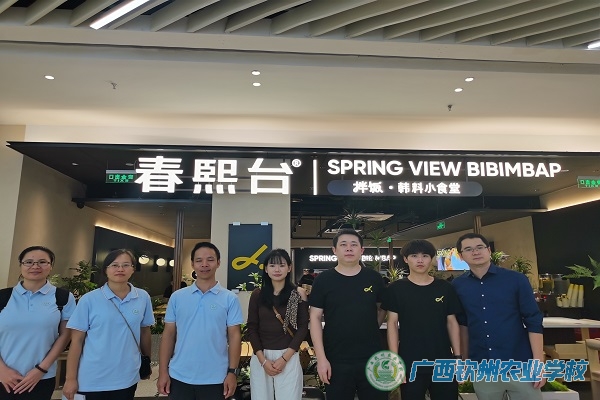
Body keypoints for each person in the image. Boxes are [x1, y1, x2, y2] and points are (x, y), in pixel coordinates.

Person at [453, 233, 545, 400]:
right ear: (461, 256)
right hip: (482, 366)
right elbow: (463, 325)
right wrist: (465, 361)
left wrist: (538, 363)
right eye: (468, 249)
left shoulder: (516, 280)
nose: (475, 252)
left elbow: (533, 321)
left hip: (519, 363)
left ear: (489, 250)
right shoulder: (458, 286)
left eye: (479, 247)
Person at [63, 249, 154, 400]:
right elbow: (77, 341)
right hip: (92, 377)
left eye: (126, 265)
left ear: (133, 269)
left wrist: (146, 362)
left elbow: (145, 332)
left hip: (127, 376)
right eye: (114, 265)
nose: (120, 269)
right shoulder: (89, 299)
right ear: (106, 270)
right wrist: (70, 378)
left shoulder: (142, 297)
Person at [157, 242, 243, 400]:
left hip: (216, 377)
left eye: (210, 259)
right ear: (192, 264)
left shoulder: (229, 298)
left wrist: (232, 372)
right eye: (199, 260)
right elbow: (168, 335)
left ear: (218, 262)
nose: (204, 264)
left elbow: (235, 336)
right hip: (179, 375)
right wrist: (163, 372)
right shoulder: (177, 297)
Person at [309, 228, 387, 400]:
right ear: (334, 250)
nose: (349, 248)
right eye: (343, 245)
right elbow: (314, 318)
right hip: (336, 359)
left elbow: (383, 307)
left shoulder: (373, 278)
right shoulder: (323, 280)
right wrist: (321, 359)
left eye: (354, 245)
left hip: (372, 358)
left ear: (362, 250)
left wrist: (371, 326)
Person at [381, 239, 462, 400]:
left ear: (431, 259)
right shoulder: (396, 289)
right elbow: (392, 324)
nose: (420, 260)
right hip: (410, 361)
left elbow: (452, 323)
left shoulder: (445, 288)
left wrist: (458, 358)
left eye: (425, 256)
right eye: (414, 256)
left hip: (443, 360)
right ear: (406, 259)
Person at [0, 246, 76, 400]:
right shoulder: (3, 296)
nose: (35, 266)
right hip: (3, 378)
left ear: (51, 266)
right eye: (29, 262)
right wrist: (2, 371)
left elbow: (65, 335)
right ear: (21, 265)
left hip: (41, 378)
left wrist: (41, 370)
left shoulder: (63, 298)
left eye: (42, 262)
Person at [247, 249, 309, 400]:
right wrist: (263, 360)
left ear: (289, 268)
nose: (277, 269)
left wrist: (284, 359)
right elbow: (252, 328)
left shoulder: (298, 293)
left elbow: (302, 327)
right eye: (272, 265)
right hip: (262, 357)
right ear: (266, 269)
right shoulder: (258, 294)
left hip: (288, 354)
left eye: (281, 265)